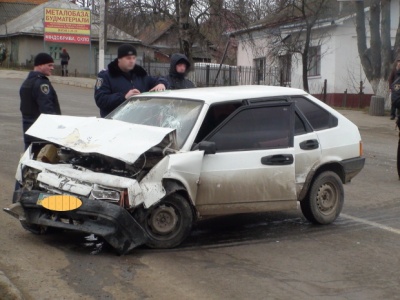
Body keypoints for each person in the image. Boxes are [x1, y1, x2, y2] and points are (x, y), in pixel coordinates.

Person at [94, 44, 169, 117]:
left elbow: (158, 80)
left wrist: (161, 83)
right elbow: (101, 100)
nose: (132, 61)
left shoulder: (140, 74)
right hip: (114, 123)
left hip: (138, 122)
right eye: (128, 58)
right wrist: (124, 97)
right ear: (119, 59)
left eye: (134, 58)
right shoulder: (106, 76)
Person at [19, 52, 61, 150]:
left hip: (28, 129)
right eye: (49, 65)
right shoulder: (42, 84)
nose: (52, 68)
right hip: (42, 132)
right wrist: (57, 128)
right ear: (40, 65)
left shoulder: (27, 82)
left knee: (29, 159)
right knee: (43, 161)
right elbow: (47, 109)